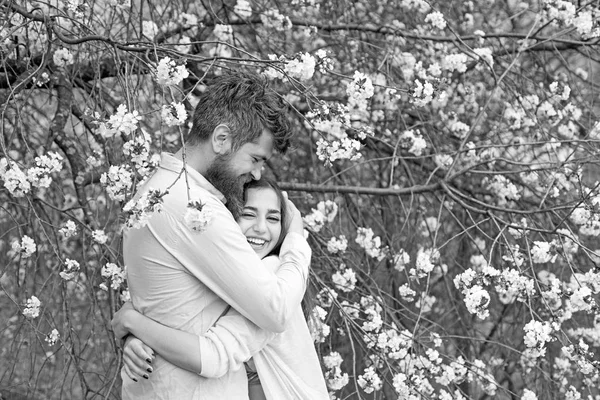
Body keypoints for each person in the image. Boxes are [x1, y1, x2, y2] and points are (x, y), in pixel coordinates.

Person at [117, 72, 312, 399]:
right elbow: (275, 309)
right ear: (221, 139)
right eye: (255, 158)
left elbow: (169, 302)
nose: (257, 174)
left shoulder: (156, 192)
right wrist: (296, 238)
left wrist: (132, 326)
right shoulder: (194, 209)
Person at [112, 178, 329, 399]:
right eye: (248, 214)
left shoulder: (271, 274)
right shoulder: (224, 275)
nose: (261, 228)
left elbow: (213, 357)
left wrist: (132, 322)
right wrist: (136, 339)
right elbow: (181, 320)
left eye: (273, 218)